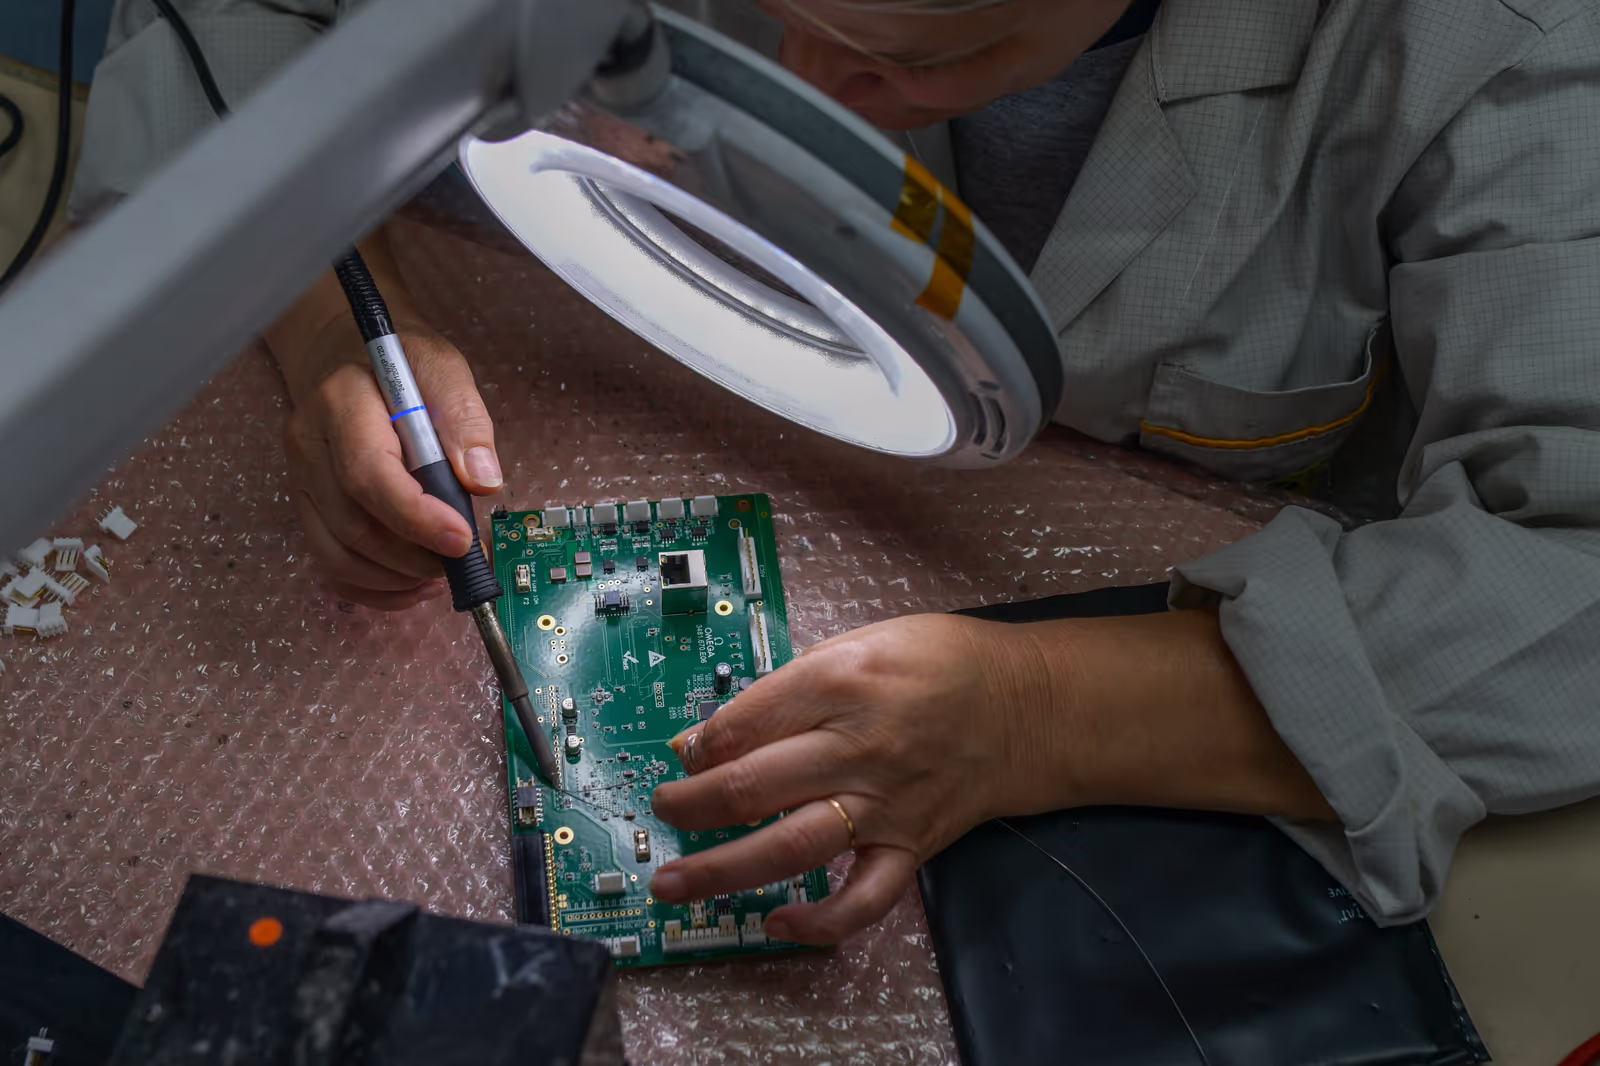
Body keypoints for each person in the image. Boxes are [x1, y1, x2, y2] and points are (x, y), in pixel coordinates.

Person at [71, 0, 1600, 947]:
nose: (796, 81)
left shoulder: (1495, 39)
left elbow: (1574, 576)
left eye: (908, 55)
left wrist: (1045, 711)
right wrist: (339, 327)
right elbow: (225, 27)